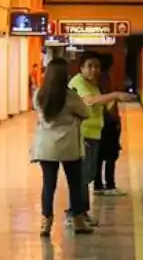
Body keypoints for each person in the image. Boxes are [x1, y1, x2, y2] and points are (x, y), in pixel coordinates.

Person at [67, 51, 135, 228]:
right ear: (81, 68)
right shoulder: (78, 82)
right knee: (82, 176)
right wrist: (114, 95)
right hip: (83, 134)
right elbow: (89, 101)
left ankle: (82, 212)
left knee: (87, 175)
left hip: (94, 134)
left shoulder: (93, 84)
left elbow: (102, 103)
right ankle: (73, 213)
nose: (93, 70)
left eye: (96, 66)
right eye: (89, 66)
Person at [31, 58, 93, 236]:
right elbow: (86, 113)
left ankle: (46, 222)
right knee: (74, 184)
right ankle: (79, 221)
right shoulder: (70, 96)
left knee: (48, 185)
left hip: (46, 147)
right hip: (68, 147)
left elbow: (39, 112)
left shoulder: (39, 95)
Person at [94, 53, 126, 197]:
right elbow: (108, 101)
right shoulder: (105, 78)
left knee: (99, 156)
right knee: (111, 155)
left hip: (100, 122)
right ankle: (110, 185)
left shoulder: (94, 80)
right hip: (109, 122)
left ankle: (98, 185)